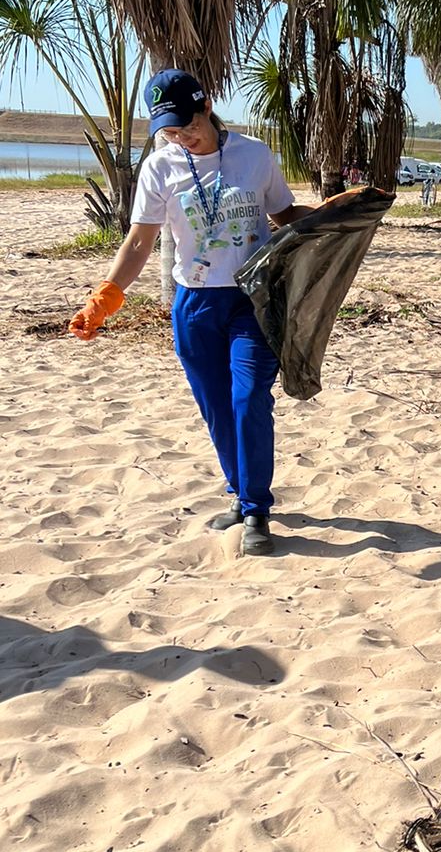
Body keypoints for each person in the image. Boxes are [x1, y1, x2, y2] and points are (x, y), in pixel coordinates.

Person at [69, 68, 309, 556]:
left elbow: (285, 217)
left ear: (207, 106)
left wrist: (342, 210)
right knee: (216, 407)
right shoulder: (161, 166)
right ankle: (240, 497)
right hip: (195, 304)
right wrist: (107, 295)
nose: (181, 136)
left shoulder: (254, 156)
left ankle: (258, 512)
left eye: (187, 125)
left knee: (248, 400)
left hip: (252, 301)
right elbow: (140, 241)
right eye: (170, 129)